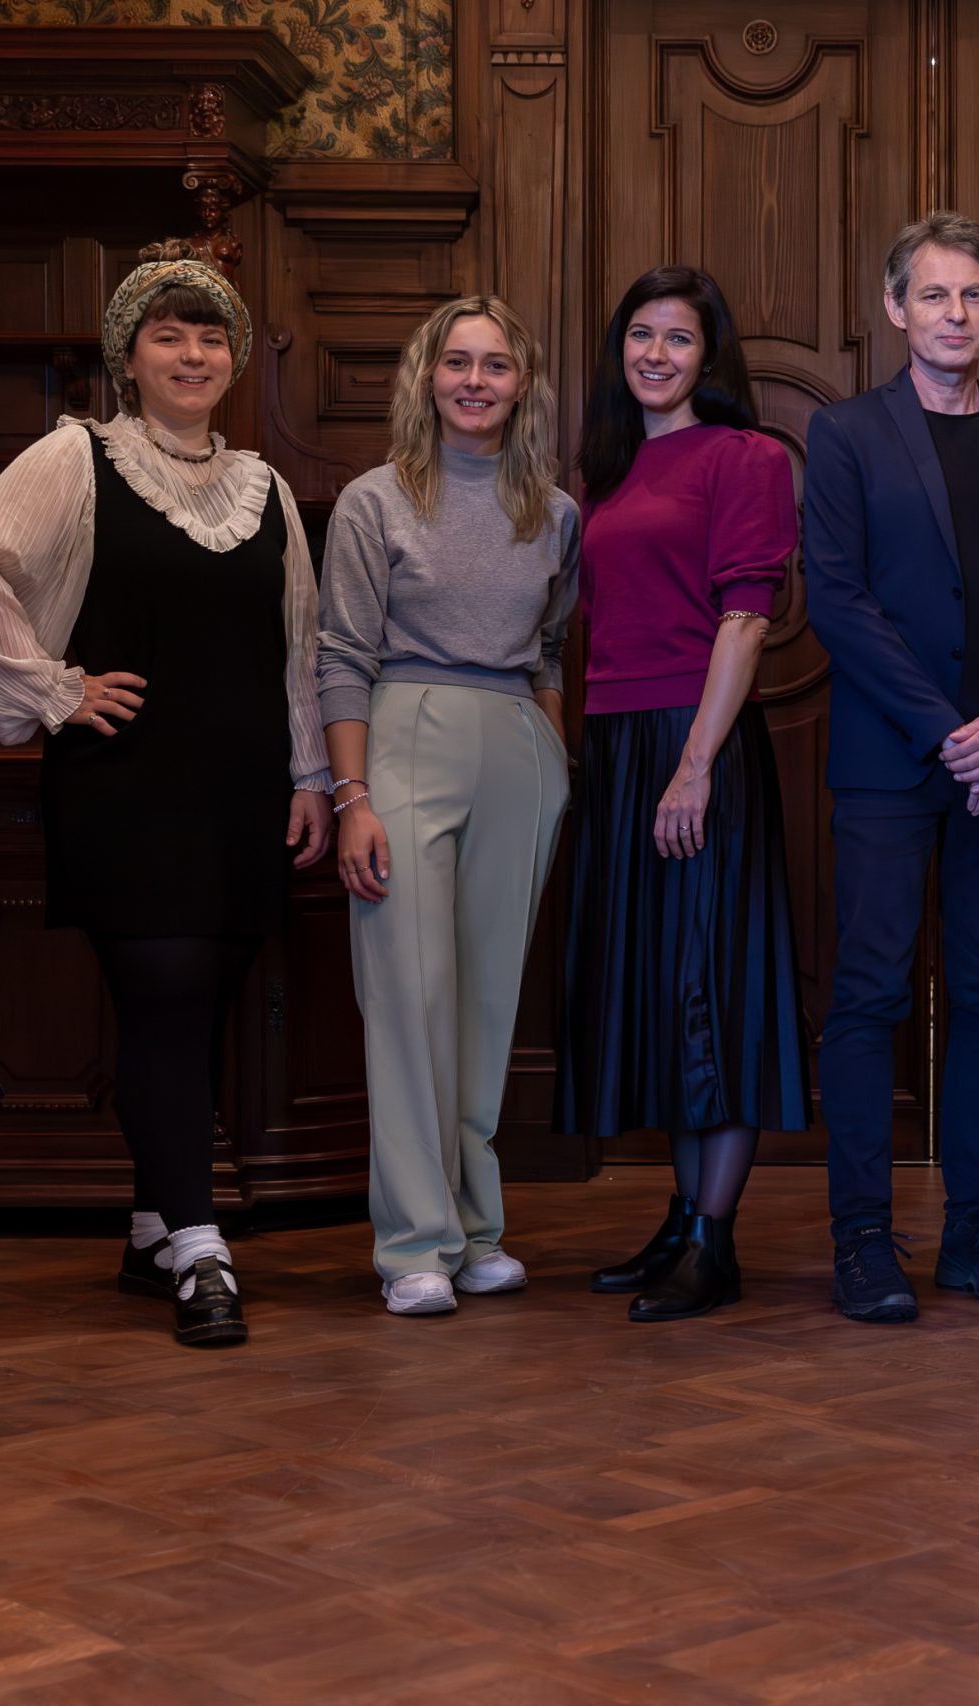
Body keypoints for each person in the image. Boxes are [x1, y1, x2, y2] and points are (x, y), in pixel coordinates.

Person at [0, 242, 332, 1348]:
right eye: (169, 334)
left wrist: (310, 775)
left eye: (210, 336)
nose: (193, 353)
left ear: (233, 357)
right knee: (161, 996)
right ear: (129, 356)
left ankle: (154, 1226)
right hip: (128, 782)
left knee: (199, 1008)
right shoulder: (78, 457)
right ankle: (203, 1249)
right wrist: (51, 687)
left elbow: (299, 643)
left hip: (245, 787)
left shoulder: (267, 488)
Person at [804, 211, 979, 1324]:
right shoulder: (845, 433)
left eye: (973, 295)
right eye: (934, 295)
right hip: (891, 760)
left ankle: (974, 1225)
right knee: (869, 996)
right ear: (894, 309)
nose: (955, 314)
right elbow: (837, 598)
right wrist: (950, 729)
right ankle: (864, 1238)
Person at [556, 266, 811, 1321]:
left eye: (680, 337)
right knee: (663, 988)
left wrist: (696, 764)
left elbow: (745, 619)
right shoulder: (609, 469)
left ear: (712, 356)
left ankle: (716, 1235)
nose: (657, 353)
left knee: (715, 984)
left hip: (692, 742)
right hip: (617, 745)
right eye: (642, 335)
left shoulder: (745, 457)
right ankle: (681, 1212)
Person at [318, 296, 577, 1317]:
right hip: (403, 735)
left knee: (485, 1003)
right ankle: (413, 1242)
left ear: (524, 384)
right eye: (457, 362)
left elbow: (552, 645)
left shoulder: (553, 511)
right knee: (407, 995)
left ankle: (476, 1234)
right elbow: (339, 654)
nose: (476, 381)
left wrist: (552, 747)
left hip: (516, 740)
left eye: (497, 365)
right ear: (426, 377)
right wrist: (352, 794)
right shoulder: (373, 502)